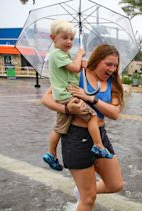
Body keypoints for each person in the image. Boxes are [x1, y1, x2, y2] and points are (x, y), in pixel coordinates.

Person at [41, 44, 124, 211]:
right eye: (108, 64)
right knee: (89, 198)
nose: (113, 69)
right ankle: (85, 195)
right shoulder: (77, 74)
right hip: (76, 137)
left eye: (115, 65)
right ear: (97, 60)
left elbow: (114, 113)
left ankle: (82, 190)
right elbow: (46, 98)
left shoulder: (114, 83)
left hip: (100, 135)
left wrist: (91, 98)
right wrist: (66, 108)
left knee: (115, 184)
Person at [43, 19, 113, 172]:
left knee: (60, 128)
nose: (69, 42)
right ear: (53, 38)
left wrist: (79, 64)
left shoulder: (62, 55)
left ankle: (51, 153)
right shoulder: (58, 54)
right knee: (92, 116)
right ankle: (98, 145)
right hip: (67, 96)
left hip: (65, 95)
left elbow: (73, 69)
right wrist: (80, 55)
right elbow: (74, 68)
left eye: (71, 38)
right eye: (64, 38)